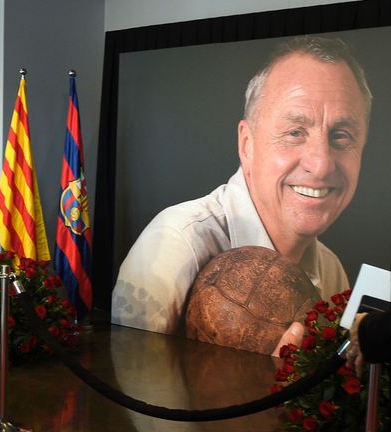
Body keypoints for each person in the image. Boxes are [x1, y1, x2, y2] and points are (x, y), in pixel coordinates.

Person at [111, 35, 372, 356]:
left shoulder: (332, 272)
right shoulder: (178, 246)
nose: (320, 165)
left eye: (341, 136)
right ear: (247, 144)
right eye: (294, 132)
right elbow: (131, 399)